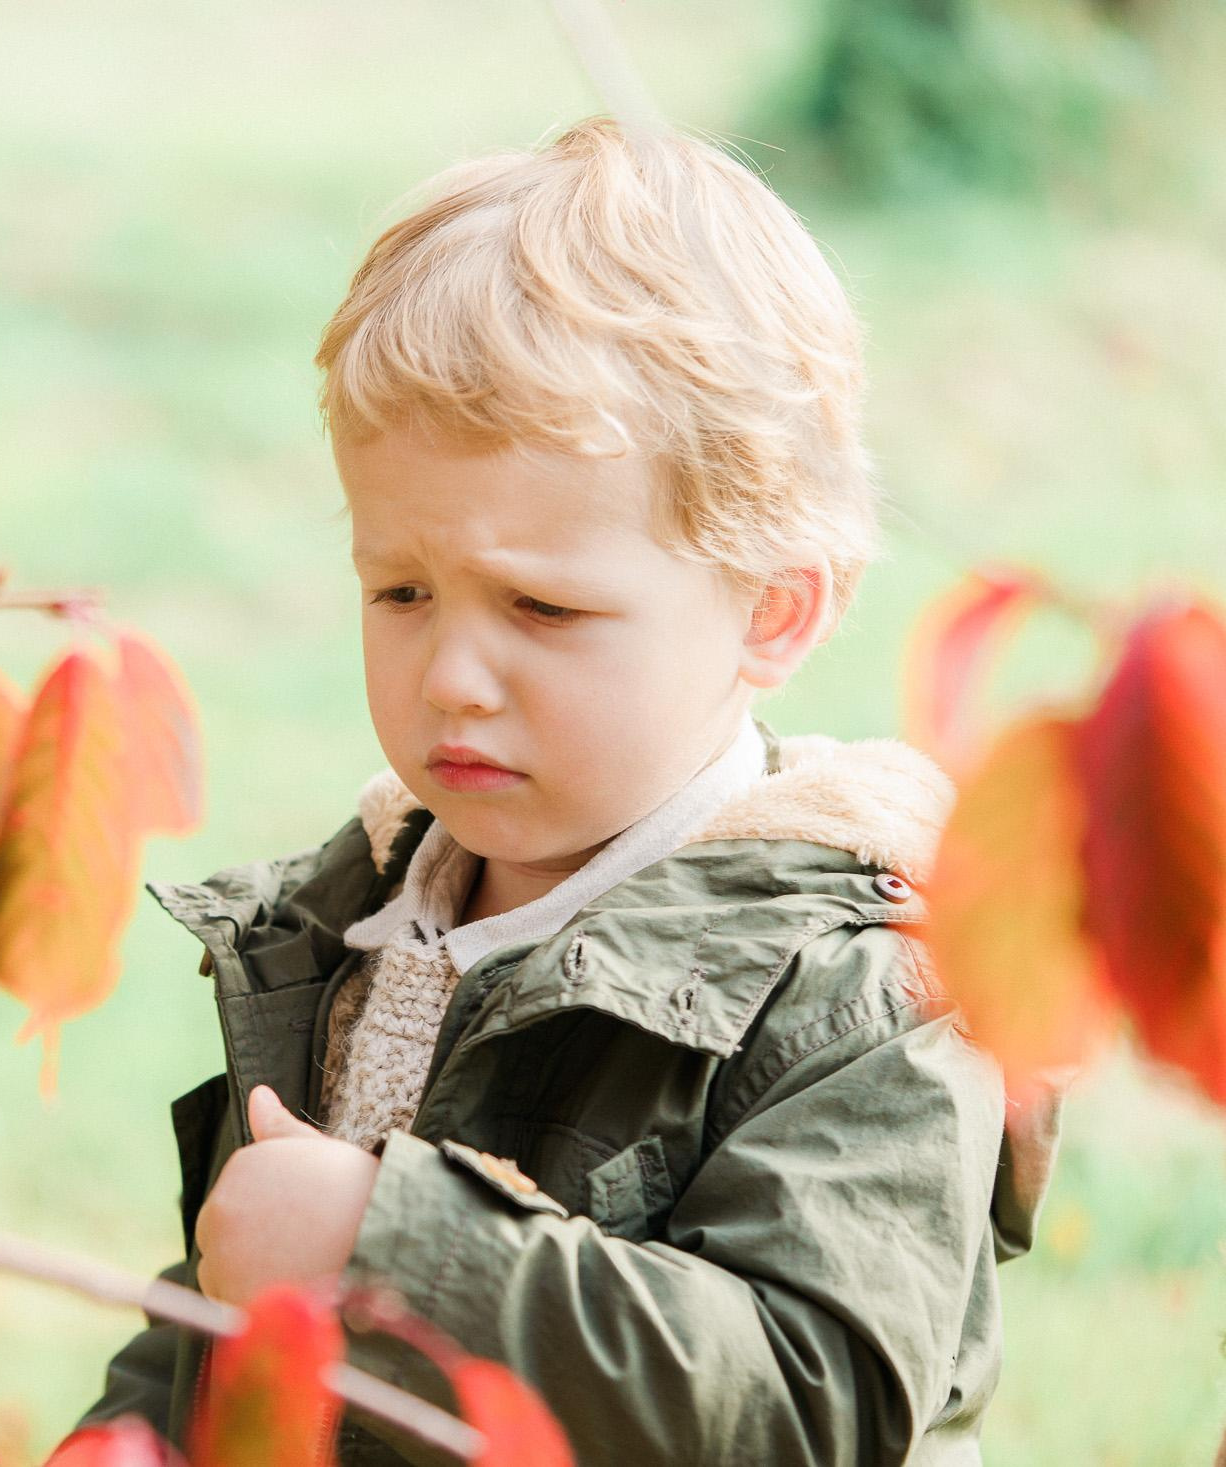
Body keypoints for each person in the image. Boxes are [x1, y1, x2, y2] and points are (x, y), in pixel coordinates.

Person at [64, 114, 1062, 1465]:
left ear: (773, 612)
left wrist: (387, 1248)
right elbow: (238, 1303)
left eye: (541, 606)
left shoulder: (860, 993)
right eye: (399, 591)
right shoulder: (358, 918)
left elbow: (815, 1398)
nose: (452, 677)